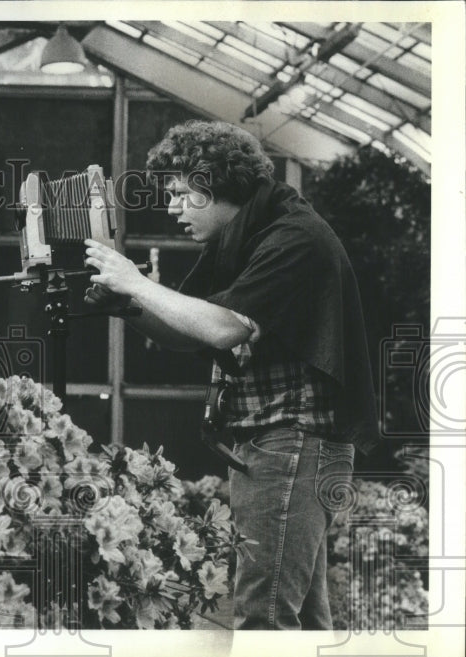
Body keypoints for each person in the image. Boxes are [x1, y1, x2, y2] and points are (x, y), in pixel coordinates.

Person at [83, 120, 377, 630]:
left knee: (264, 617)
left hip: (294, 444)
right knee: (301, 619)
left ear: (217, 185)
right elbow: (192, 329)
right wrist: (128, 304)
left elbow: (222, 329)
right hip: (275, 444)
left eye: (180, 194)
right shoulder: (248, 233)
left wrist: (135, 281)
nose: (172, 208)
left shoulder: (293, 238)